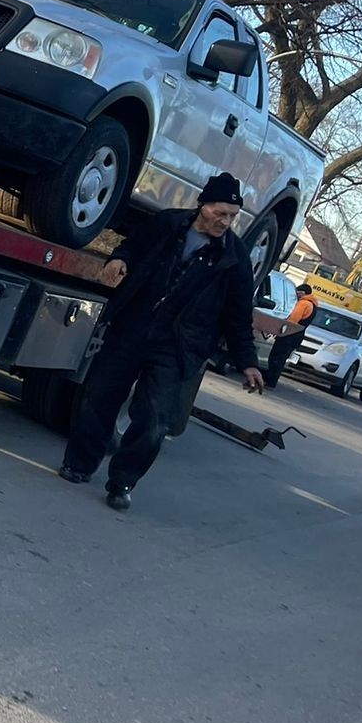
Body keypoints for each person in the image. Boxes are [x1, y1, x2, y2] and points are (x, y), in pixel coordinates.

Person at [60, 171, 264, 511]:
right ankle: (78, 465)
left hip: (178, 345)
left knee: (154, 420)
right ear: (203, 205)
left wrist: (248, 362)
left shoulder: (235, 258)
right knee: (99, 396)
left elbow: (238, 314)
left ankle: (122, 482)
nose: (226, 221)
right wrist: (119, 260)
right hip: (133, 326)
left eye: (233, 216)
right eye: (220, 212)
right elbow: (131, 246)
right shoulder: (167, 225)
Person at [265, 283, 318, 389]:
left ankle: (269, 381)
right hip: (297, 335)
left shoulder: (303, 303)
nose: (296, 295)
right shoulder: (313, 305)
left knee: (276, 357)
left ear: (303, 293)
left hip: (289, 334)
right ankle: (272, 381)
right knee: (282, 358)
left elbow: (293, 320)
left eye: (298, 292)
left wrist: (281, 331)